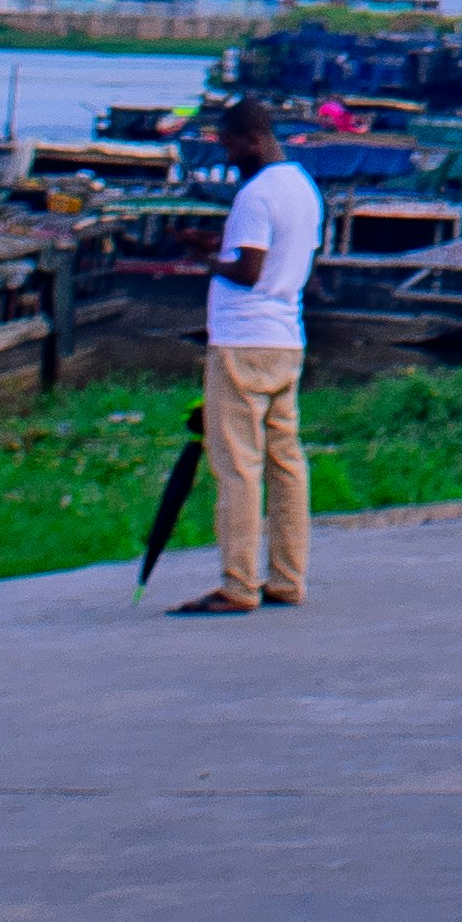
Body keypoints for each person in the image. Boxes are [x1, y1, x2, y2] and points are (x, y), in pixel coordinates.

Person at [180, 103, 321, 615]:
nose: (227, 155)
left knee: (238, 464)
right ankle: (287, 578)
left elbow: (248, 272)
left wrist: (207, 260)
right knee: (286, 462)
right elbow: (279, 257)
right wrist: (221, 246)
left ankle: (238, 584)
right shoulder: (303, 187)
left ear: (253, 140)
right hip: (286, 338)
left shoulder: (255, 194)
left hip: (243, 340)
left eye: (230, 144)